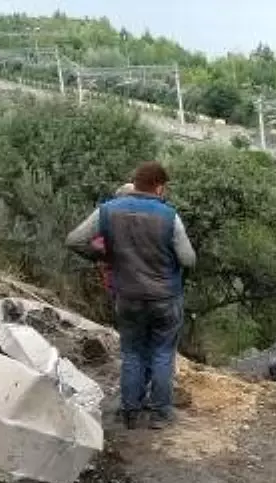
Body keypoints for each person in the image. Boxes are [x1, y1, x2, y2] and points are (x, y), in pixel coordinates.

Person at [66, 162, 196, 430]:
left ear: (134, 183)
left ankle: (130, 413)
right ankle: (160, 414)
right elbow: (188, 259)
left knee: (132, 353)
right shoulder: (169, 216)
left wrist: (106, 255)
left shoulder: (108, 210)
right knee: (162, 353)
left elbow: (75, 240)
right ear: (159, 187)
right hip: (164, 297)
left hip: (127, 295)